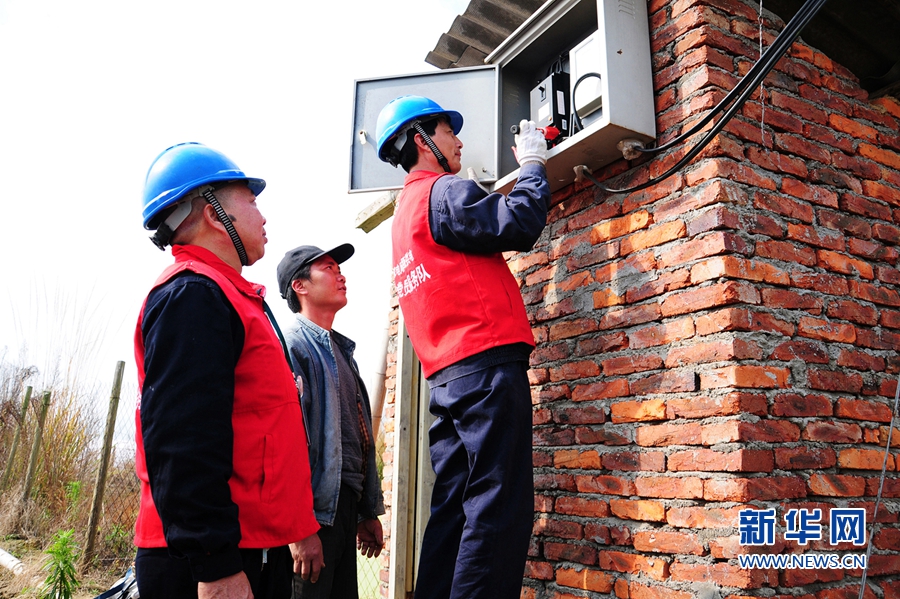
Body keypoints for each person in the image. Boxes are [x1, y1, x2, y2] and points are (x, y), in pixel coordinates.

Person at [374, 96, 550, 599]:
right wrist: (534, 164)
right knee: (498, 504)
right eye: (448, 132)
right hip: (486, 367)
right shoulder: (444, 190)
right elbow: (518, 222)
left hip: (448, 381)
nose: (459, 141)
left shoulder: (405, 212)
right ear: (421, 140)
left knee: (453, 508)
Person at [134, 142, 324, 599]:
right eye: (252, 202)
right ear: (216, 214)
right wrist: (214, 564)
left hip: (248, 547)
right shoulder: (194, 296)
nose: (263, 217)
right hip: (209, 562)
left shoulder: (231, 296)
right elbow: (181, 439)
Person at [275, 243, 386, 599]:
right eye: (328, 267)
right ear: (300, 286)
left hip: (342, 511)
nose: (341, 274)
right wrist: (299, 529)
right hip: (311, 519)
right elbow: (282, 445)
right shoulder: (292, 346)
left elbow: (356, 443)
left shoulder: (342, 353)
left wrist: (365, 512)